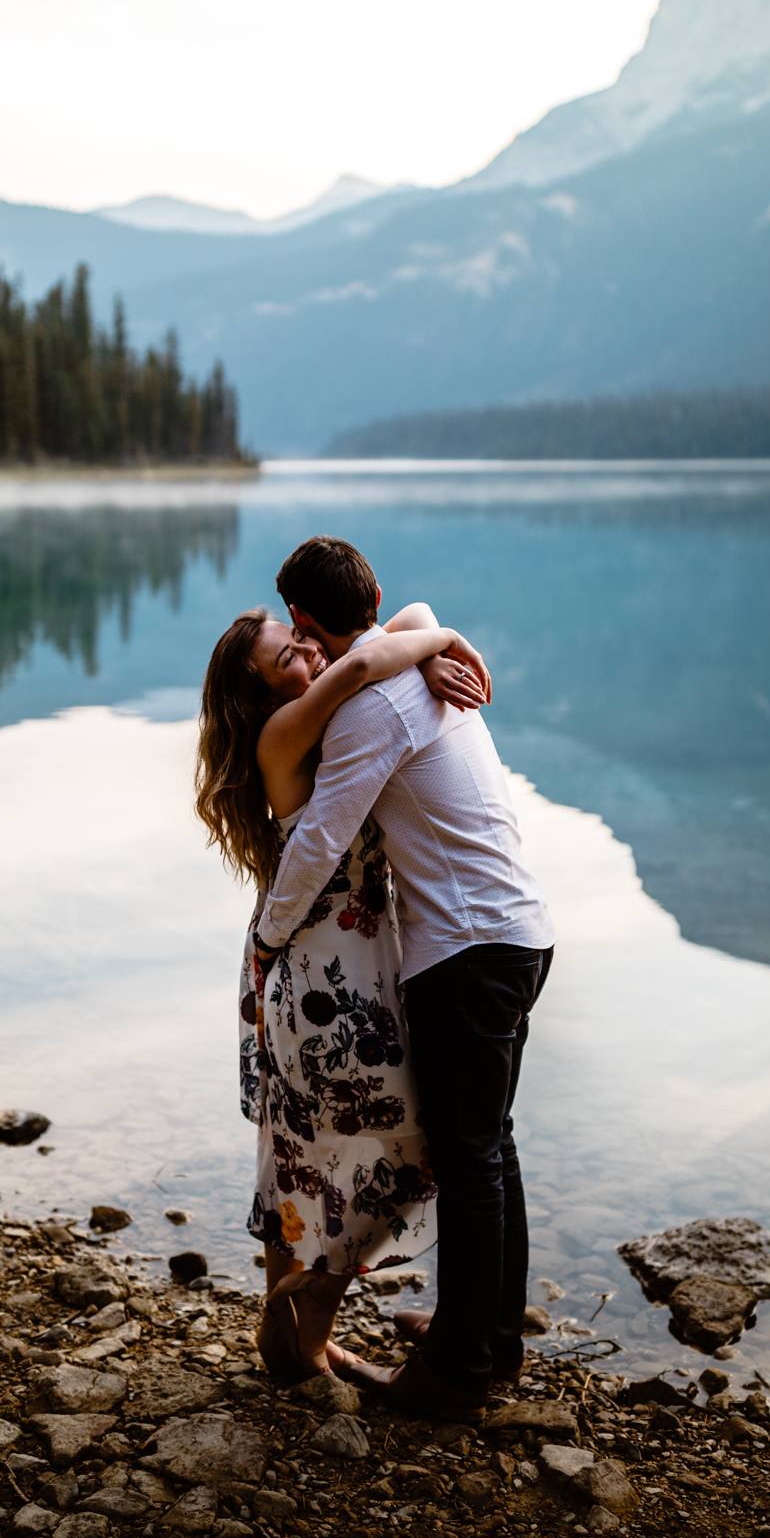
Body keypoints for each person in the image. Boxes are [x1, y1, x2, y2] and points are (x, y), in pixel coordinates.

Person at [253, 536, 554, 1419]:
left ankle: (458, 1373)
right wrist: (438, 634)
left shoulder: (371, 711)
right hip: (523, 931)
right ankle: (487, 1335)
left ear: (307, 621)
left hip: (466, 953)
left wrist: (270, 939)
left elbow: (319, 840)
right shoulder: (421, 667)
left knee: (471, 1158)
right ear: (374, 594)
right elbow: (414, 621)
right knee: (490, 1146)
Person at [195, 601, 491, 1378]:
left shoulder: (322, 720)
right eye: (286, 657)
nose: (308, 656)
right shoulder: (284, 732)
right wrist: (448, 644)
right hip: (324, 979)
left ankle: (288, 1338)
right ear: (256, 694)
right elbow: (365, 659)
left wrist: (424, 654)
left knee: (302, 1153)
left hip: (332, 967)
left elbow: (402, 619)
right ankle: (304, 1335)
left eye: (301, 641)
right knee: (385, 1154)